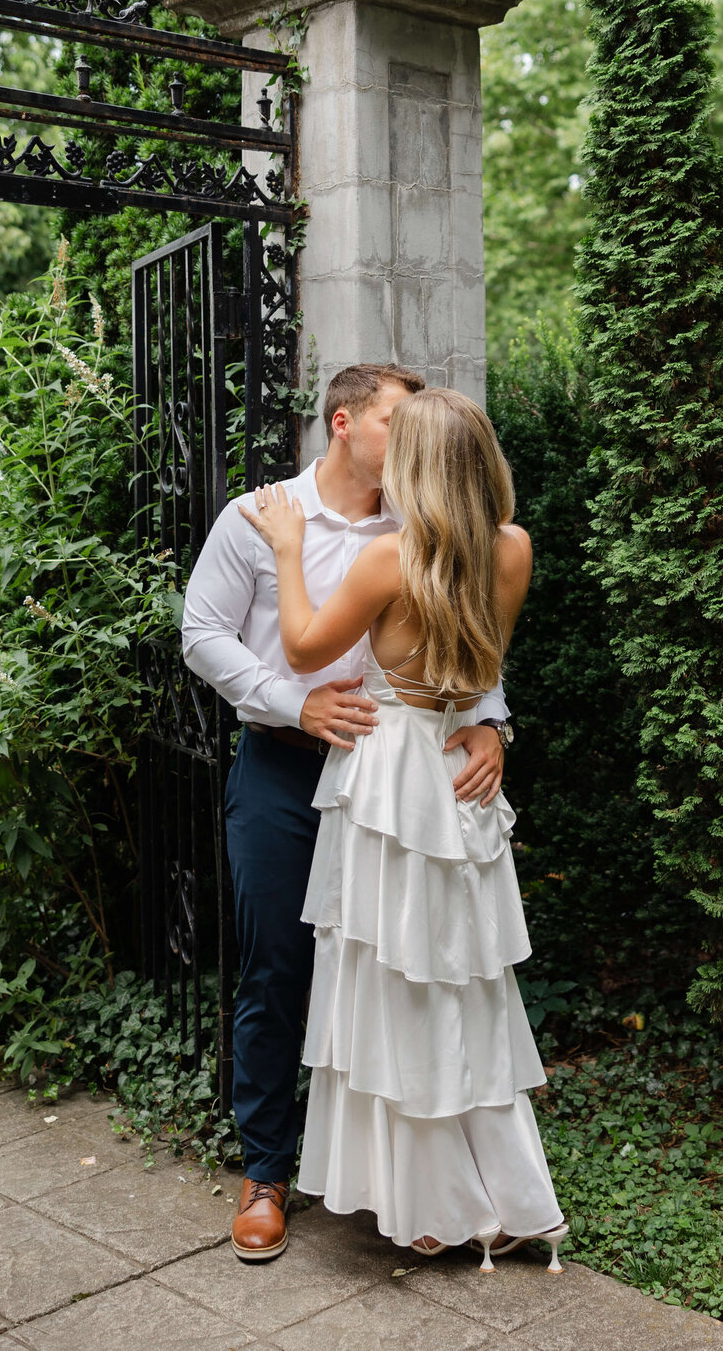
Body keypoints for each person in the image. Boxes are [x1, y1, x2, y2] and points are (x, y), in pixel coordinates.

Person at [181, 366, 513, 1262]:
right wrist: (296, 707)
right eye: (393, 419)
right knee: (278, 967)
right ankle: (265, 1172)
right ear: (345, 422)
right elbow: (201, 633)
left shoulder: (421, 524)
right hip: (286, 771)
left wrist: (491, 723)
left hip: (390, 789)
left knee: (397, 975)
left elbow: (465, 636)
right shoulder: (259, 517)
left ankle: (382, 1172)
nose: (405, 437)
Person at [239, 387, 568, 1269]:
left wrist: (290, 545)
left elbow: (305, 648)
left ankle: (424, 1203)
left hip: (388, 779)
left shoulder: (391, 557)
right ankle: (494, 1191)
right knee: (460, 983)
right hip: (457, 774)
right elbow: (478, 666)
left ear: (419, 466)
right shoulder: (513, 550)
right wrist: (490, 723)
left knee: (392, 984)